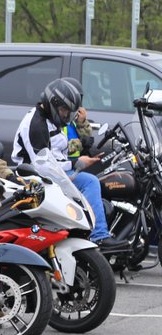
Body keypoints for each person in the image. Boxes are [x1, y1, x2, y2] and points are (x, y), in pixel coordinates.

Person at [10, 77, 116, 249]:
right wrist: (75, 163)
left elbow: (55, 153)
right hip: (36, 178)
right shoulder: (36, 125)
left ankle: (89, 234)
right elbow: (42, 165)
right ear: (52, 103)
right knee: (90, 182)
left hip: (53, 173)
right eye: (63, 110)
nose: (66, 115)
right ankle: (98, 236)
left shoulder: (49, 119)